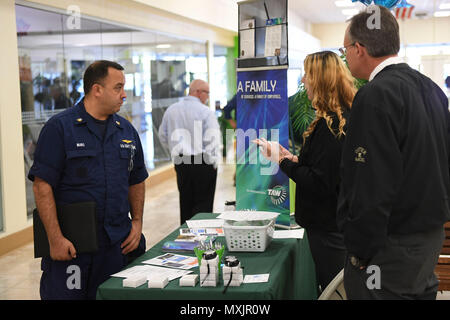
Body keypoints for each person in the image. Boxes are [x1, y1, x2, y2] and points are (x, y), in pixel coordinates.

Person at [337, 5, 450, 300]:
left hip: (391, 246)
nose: (345, 56)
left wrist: (360, 252)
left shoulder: (375, 96)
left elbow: (370, 183)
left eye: (345, 48)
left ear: (359, 48)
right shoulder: (432, 90)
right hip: (429, 238)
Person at [28, 60, 149, 300]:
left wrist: (137, 222)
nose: (124, 95)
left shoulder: (126, 131)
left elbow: (136, 179)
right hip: (73, 248)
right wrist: (55, 239)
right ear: (97, 90)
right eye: (118, 87)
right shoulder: (60, 128)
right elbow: (42, 186)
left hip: (116, 244)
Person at [254, 51, 356, 293]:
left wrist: (282, 161)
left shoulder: (331, 126)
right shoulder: (339, 119)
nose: (303, 81)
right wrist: (292, 158)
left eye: (307, 75)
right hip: (334, 223)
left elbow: (320, 182)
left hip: (328, 227)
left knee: (334, 290)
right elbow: (327, 168)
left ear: (321, 80)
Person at [158, 79, 222, 225]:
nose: (207, 97)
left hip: (181, 162)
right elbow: (213, 141)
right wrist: (213, 162)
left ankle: (186, 240)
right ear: (198, 92)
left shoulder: (172, 110)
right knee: (203, 205)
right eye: (207, 93)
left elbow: (163, 136)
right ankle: (202, 241)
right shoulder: (205, 112)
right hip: (203, 162)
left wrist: (175, 152)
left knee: (185, 203)